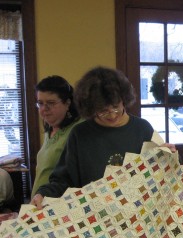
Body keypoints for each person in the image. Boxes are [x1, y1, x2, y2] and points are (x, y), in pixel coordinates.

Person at [31, 66, 174, 209]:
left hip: (137, 214)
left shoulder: (142, 129)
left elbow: (162, 173)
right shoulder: (80, 134)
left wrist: (170, 155)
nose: (112, 115)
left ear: (124, 99)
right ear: (91, 108)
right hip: (93, 216)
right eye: (103, 111)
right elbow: (63, 181)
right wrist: (43, 193)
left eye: (116, 106)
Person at [31, 76, 83, 197]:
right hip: (39, 203)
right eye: (40, 103)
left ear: (67, 103)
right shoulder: (50, 128)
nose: (44, 109)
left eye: (51, 103)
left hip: (59, 206)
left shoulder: (78, 129)